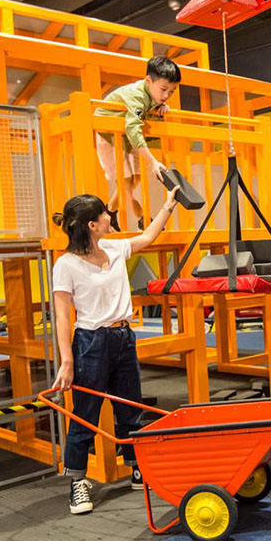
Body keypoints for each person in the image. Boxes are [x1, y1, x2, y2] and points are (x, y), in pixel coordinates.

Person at [51, 188, 179, 515]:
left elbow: (148, 237)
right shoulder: (65, 265)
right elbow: (63, 317)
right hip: (90, 343)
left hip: (123, 336)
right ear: (92, 225)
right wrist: (67, 362)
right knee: (85, 412)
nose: (111, 217)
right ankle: (77, 481)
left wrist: (168, 204)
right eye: (105, 214)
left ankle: (137, 466)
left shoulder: (113, 246)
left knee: (130, 406)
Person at [94, 56, 181, 231]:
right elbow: (133, 128)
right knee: (125, 184)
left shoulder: (154, 96)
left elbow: (141, 118)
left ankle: (110, 210)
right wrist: (152, 161)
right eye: (163, 89)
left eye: (172, 91)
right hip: (108, 137)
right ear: (148, 81)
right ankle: (144, 219)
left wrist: (161, 107)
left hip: (125, 138)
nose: (166, 95)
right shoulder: (136, 95)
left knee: (136, 178)